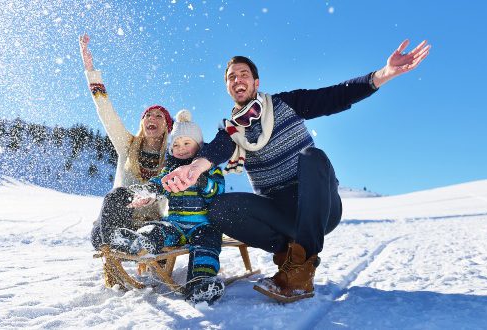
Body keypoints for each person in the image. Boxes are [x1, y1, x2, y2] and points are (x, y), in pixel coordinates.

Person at [160, 39, 431, 302]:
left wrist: (383, 74)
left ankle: (300, 271)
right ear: (228, 87)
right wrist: (195, 168)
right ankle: (292, 257)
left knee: (313, 157)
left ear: (256, 83)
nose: (237, 80)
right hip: (279, 212)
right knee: (219, 208)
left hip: (319, 206)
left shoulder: (285, 104)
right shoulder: (231, 130)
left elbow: (333, 96)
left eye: (243, 74)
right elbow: (215, 150)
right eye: (231, 77)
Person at [115, 109, 227, 304]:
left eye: (186, 143)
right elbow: (158, 184)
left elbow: (217, 193)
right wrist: (147, 192)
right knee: (158, 229)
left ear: (199, 145)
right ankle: (139, 242)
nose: (181, 148)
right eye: (176, 144)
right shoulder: (170, 170)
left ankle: (201, 281)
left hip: (201, 225)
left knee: (207, 244)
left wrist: (201, 182)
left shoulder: (209, 169)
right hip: (174, 224)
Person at [78, 34, 172, 253]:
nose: (152, 118)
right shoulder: (127, 144)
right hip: (120, 222)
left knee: (153, 232)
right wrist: (91, 72)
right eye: (148, 115)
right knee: (115, 199)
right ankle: (116, 245)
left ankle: (132, 247)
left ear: (167, 126)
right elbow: (106, 112)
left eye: (159, 116)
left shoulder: (171, 155)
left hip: (152, 224)